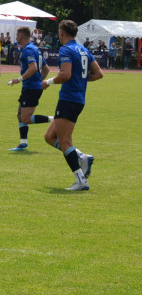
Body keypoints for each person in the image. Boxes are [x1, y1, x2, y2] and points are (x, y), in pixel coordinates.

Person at [42, 20, 102, 191]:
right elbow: (98, 74)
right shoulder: (84, 50)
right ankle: (82, 157)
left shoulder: (66, 49)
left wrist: (48, 82)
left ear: (62, 33)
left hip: (69, 99)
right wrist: (80, 78)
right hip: (77, 99)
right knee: (49, 137)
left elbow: (65, 74)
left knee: (65, 142)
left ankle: (81, 180)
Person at [7, 26, 53, 151]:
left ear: (21, 36)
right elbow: (46, 68)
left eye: (17, 36)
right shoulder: (35, 49)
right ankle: (23, 143)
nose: (16, 38)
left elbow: (33, 68)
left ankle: (54, 120)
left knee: (25, 118)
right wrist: (39, 82)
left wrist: (19, 79)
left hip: (31, 88)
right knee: (20, 115)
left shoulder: (28, 50)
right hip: (32, 87)